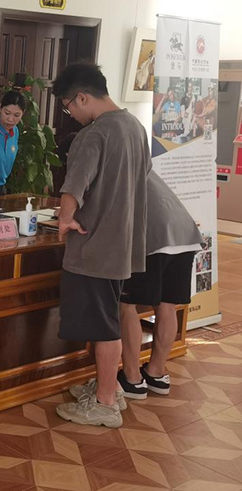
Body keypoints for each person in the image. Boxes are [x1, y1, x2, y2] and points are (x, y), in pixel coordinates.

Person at [52, 63, 150, 428]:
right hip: (123, 243)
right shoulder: (135, 127)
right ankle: (110, 387)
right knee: (108, 317)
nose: (71, 115)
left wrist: (65, 218)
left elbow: (74, 186)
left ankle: (105, 403)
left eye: (68, 107)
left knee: (104, 326)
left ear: (81, 97)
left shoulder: (94, 134)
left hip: (94, 247)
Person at [117, 170, 202, 400]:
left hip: (153, 239)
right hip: (185, 236)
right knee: (167, 306)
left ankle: (132, 378)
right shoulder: (144, 167)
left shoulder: (117, 168)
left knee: (126, 306)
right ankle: (156, 373)